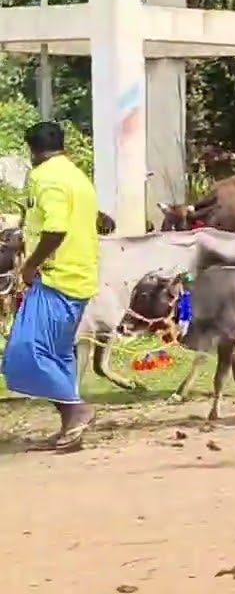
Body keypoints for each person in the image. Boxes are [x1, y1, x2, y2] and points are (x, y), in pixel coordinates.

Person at [2, 122, 100, 451]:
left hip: (56, 278)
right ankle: (70, 429)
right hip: (81, 275)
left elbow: (55, 228)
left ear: (32, 150)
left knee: (23, 352)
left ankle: (77, 409)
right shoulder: (76, 175)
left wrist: (30, 266)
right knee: (58, 355)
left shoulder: (45, 177)